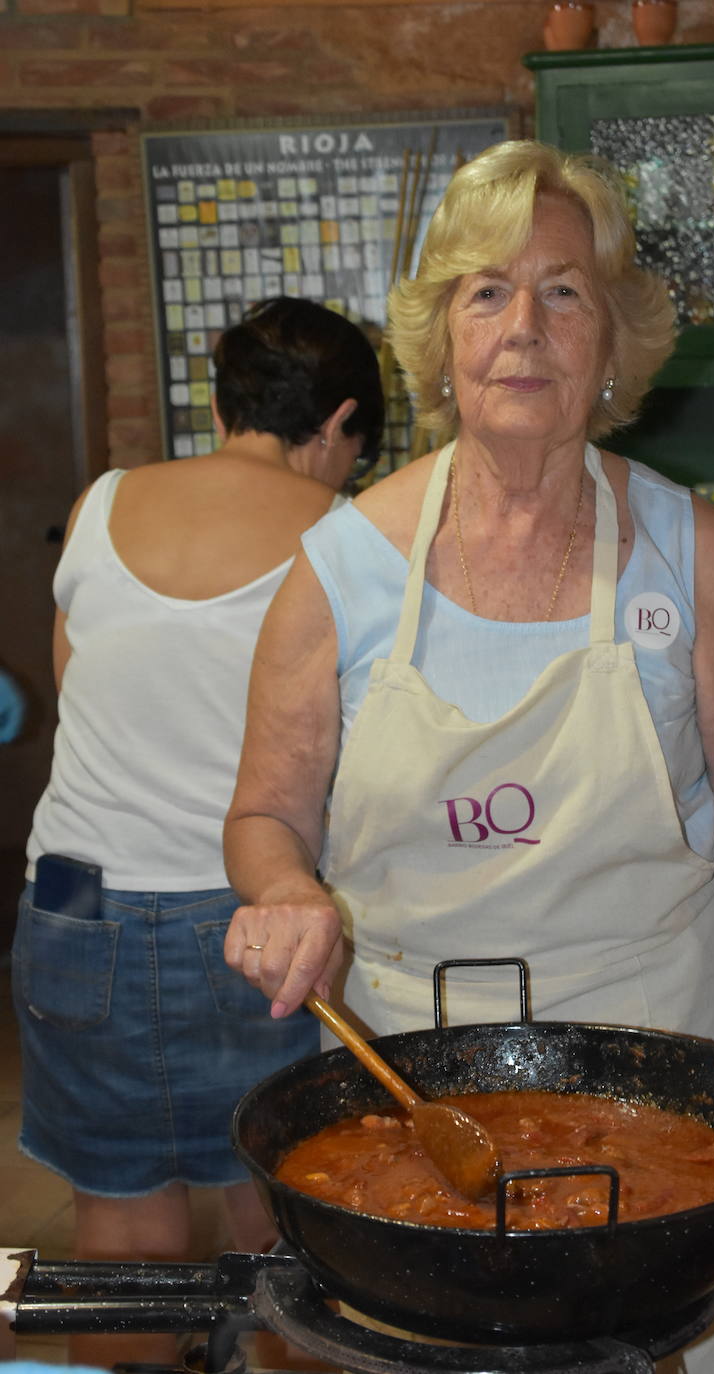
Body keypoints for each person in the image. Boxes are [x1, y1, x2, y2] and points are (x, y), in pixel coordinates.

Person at [222, 143, 714, 1373]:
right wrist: (283, 891)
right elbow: (265, 814)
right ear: (440, 338)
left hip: (668, 1092)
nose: (523, 329)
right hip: (406, 1100)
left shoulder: (686, 551)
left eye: (563, 292)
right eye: (485, 292)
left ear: (611, 341)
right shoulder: (343, 567)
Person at [12, 295, 384, 1369]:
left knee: (121, 1230)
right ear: (340, 421)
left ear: (221, 401)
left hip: (76, 906)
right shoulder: (343, 537)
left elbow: (77, 685)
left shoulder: (102, 501)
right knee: (291, 1223)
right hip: (254, 916)